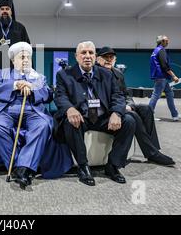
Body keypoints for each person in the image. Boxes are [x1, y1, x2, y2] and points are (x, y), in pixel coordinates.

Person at [0, 42, 73, 189]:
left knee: (42, 126)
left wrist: (32, 87)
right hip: (6, 110)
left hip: (33, 111)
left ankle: (22, 168)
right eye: (22, 57)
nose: (26, 60)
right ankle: (19, 166)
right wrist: (15, 85)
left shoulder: (38, 76)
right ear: (13, 60)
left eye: (28, 57)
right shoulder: (3, 73)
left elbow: (48, 95)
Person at [54, 41, 136, 186]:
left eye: (91, 53)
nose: (87, 56)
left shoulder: (106, 74)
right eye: (83, 53)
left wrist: (116, 113)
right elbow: (60, 96)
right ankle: (83, 167)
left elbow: (118, 95)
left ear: (95, 56)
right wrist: (69, 109)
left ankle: (113, 166)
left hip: (103, 117)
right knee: (69, 122)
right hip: (81, 116)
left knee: (129, 121)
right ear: (76, 56)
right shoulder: (64, 75)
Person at [97, 46, 175, 166]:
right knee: (133, 115)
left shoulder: (118, 73)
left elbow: (126, 95)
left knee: (147, 109)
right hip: (109, 109)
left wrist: (130, 105)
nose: (108, 59)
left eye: (111, 57)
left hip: (122, 105)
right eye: (105, 57)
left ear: (115, 59)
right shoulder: (94, 73)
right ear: (98, 59)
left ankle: (154, 150)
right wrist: (122, 108)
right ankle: (151, 153)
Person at [0, 0, 30, 79]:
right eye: (2, 9)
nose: (4, 11)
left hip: (16, 73)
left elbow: (27, 52)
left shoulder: (20, 28)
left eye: (7, 9)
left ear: (11, 12)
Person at [149, 35, 181, 121]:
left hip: (161, 77)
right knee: (155, 95)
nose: (168, 42)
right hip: (161, 76)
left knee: (169, 93)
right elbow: (164, 66)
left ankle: (175, 115)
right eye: (166, 41)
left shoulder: (155, 51)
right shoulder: (161, 50)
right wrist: (173, 75)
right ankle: (149, 115)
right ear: (161, 41)